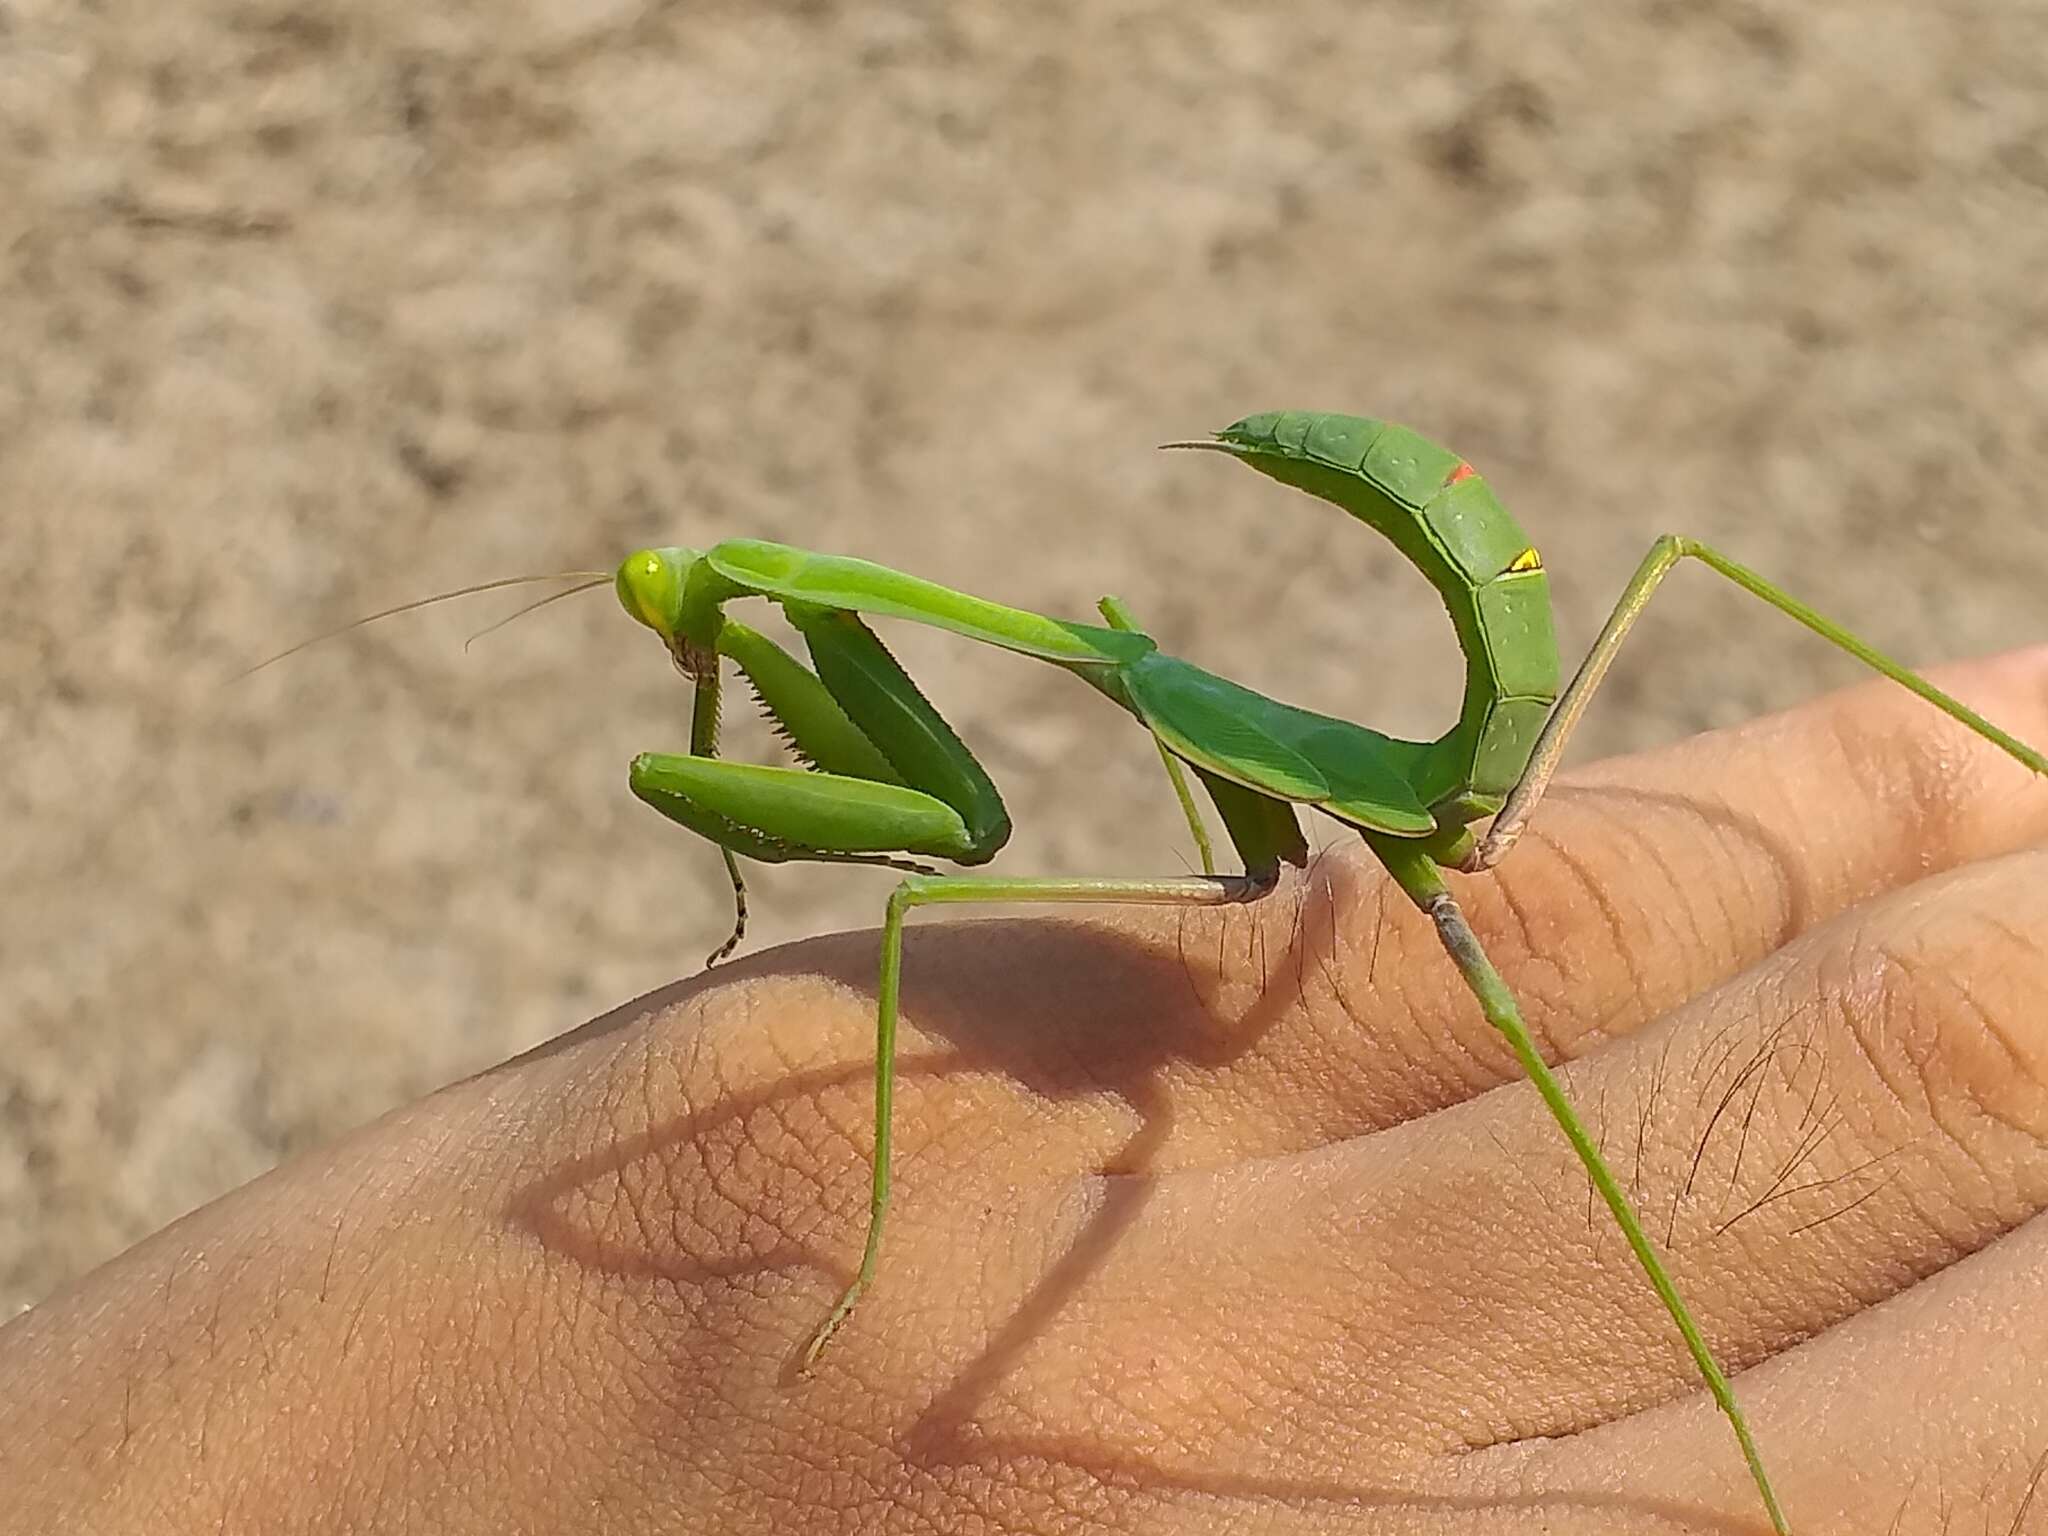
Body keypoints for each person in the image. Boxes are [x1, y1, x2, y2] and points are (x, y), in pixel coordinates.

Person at [6, 654, 2047, 1534]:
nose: (689, 639)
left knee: (1531, 1010)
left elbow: (938, 850)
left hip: (1433, 798)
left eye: (688, 604)